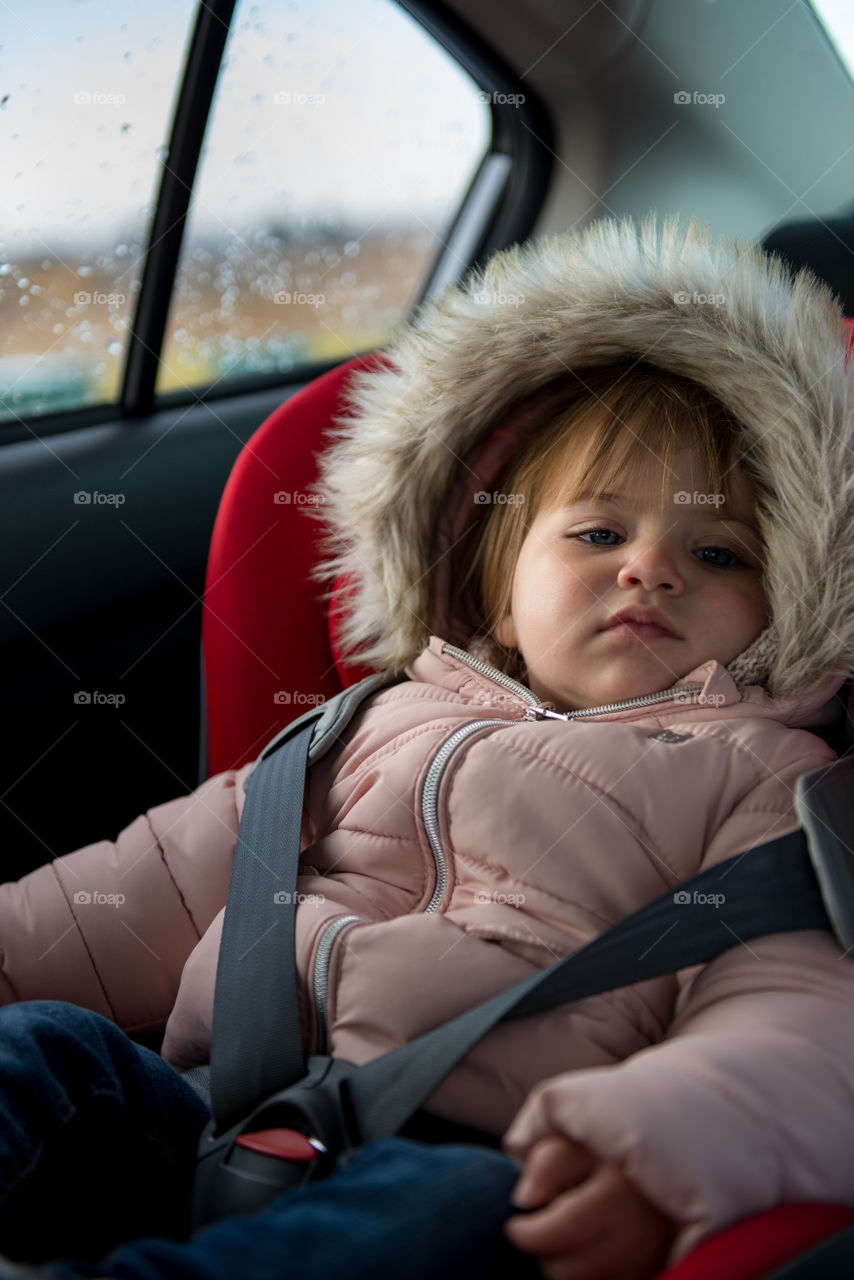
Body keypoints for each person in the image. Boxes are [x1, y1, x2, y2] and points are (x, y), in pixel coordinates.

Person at [2, 215, 854, 1280]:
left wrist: (652, 1135)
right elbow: (143, 882)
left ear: (785, 612)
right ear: (498, 584)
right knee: (42, 1042)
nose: (648, 567)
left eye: (717, 550)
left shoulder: (767, 786)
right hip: (205, 1109)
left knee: (455, 1204)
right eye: (596, 533)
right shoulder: (367, 723)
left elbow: (801, 1011)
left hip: (458, 1151)